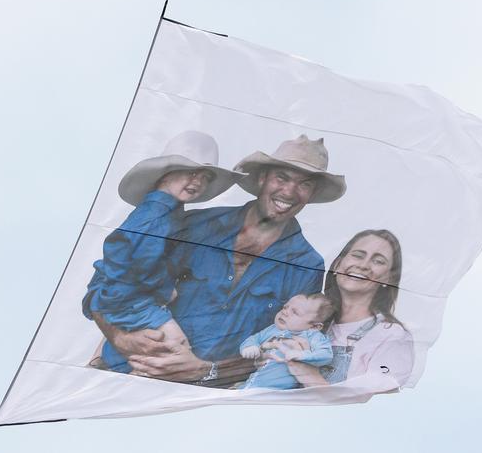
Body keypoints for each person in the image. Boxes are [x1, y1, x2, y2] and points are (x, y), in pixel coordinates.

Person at [91, 135, 347, 387]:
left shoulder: (306, 266)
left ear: (312, 194)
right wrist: (120, 338)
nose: (289, 191)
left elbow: (284, 348)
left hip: (205, 402)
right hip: (122, 374)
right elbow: (105, 283)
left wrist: (206, 371)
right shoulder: (195, 225)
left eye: (305, 184)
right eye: (282, 177)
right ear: (262, 178)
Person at [82, 131, 240, 373]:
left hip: (127, 297)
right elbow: (142, 262)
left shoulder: (169, 212)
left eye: (205, 176)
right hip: (134, 300)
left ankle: (99, 362)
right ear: (166, 173)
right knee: (177, 345)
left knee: (136, 335)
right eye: (189, 171)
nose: (197, 181)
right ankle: (128, 379)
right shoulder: (156, 216)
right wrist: (166, 290)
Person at [271, 229, 415, 390]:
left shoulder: (392, 336)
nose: (363, 265)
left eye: (378, 261)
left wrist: (307, 374)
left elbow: (374, 401)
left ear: (389, 279)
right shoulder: (310, 320)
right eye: (358, 255)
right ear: (338, 263)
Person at [239, 293, 334, 390]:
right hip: (252, 384)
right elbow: (255, 338)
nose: (285, 312)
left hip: (277, 392)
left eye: (295, 312)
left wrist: (302, 355)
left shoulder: (313, 336)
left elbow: (325, 355)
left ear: (314, 326)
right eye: (285, 307)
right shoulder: (273, 329)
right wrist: (250, 346)